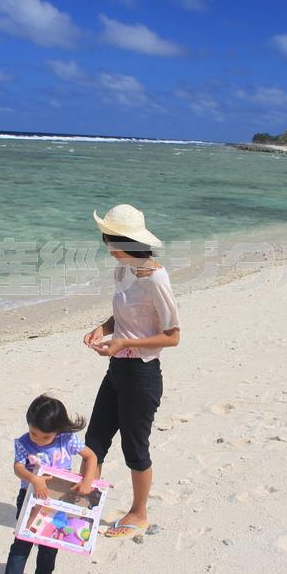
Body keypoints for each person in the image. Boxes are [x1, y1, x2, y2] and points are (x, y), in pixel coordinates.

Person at [83, 204, 180, 539]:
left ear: (120, 241)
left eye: (107, 239)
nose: (105, 245)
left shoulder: (156, 278)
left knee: (134, 449)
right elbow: (124, 315)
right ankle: (85, 506)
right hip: (116, 369)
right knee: (94, 440)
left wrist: (123, 341)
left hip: (142, 375)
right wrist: (104, 328)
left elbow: (173, 336)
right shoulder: (123, 269)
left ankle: (139, 513)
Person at [0, 394, 98, 574]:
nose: (37, 439)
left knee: (51, 538)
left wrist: (88, 480)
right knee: (23, 540)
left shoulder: (67, 440)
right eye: (33, 433)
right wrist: (33, 478)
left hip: (59, 499)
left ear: (59, 430)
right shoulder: (24, 442)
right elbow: (18, 467)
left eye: (44, 437)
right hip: (30, 497)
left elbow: (91, 457)